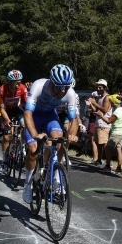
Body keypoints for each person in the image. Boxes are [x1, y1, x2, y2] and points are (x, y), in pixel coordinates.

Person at [22, 65, 80, 203]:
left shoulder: (70, 93)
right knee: (33, 150)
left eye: (66, 87)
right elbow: (27, 113)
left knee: (59, 141)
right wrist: (35, 134)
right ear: (52, 83)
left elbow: (74, 119)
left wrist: (72, 134)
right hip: (34, 116)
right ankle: (28, 184)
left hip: (50, 116)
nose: (63, 90)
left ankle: (56, 178)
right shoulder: (39, 86)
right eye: (59, 87)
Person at [0, 70, 28, 169]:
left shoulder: (22, 88)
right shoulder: (3, 89)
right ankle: (5, 160)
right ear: (9, 82)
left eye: (19, 82)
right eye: (16, 83)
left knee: (24, 124)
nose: (17, 85)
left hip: (17, 109)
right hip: (6, 111)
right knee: (6, 137)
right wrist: (7, 120)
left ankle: (22, 146)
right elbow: (2, 109)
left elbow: (26, 105)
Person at [99, 93, 122, 175]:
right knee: (119, 149)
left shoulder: (117, 112)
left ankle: (108, 165)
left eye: (110, 101)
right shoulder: (121, 110)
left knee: (108, 148)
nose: (109, 102)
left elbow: (109, 121)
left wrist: (101, 115)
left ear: (113, 102)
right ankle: (119, 168)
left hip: (116, 133)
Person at [87, 80, 112, 168]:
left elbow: (105, 110)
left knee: (104, 144)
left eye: (100, 87)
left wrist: (95, 103)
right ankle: (99, 160)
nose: (98, 89)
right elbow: (96, 109)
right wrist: (91, 104)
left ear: (105, 88)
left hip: (104, 125)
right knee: (98, 143)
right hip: (98, 123)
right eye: (97, 87)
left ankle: (108, 163)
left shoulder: (107, 97)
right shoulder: (99, 97)